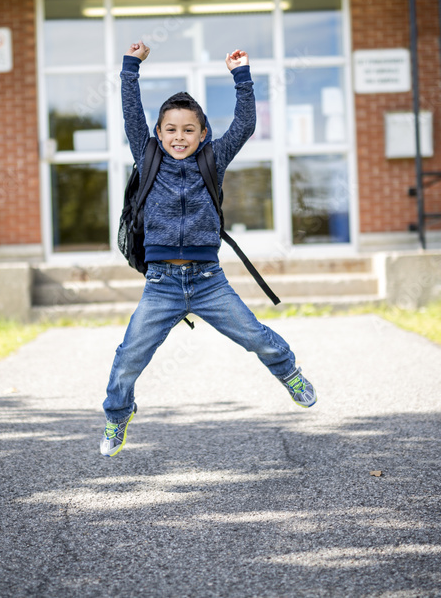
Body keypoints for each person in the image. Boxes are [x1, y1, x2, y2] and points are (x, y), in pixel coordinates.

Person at [99, 41, 317, 458]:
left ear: (202, 135)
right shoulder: (147, 158)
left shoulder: (212, 161)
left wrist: (242, 77)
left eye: (188, 130)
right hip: (161, 284)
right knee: (129, 358)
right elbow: (130, 112)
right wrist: (131, 67)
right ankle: (116, 416)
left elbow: (245, 124)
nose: (179, 137)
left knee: (256, 337)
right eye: (170, 130)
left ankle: (290, 373)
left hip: (207, 281)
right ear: (159, 134)